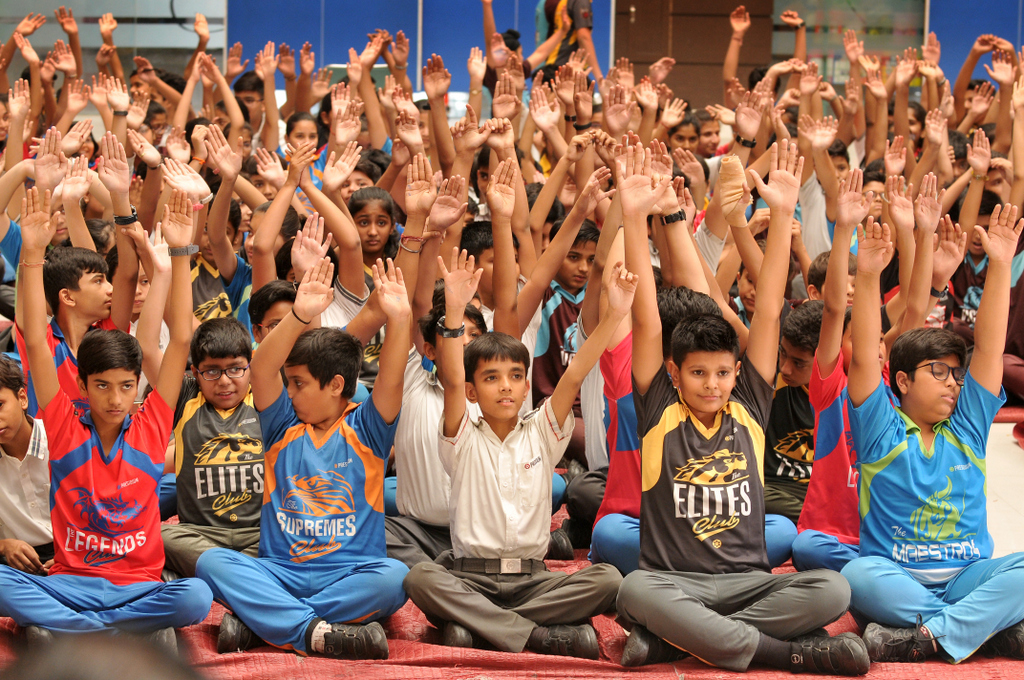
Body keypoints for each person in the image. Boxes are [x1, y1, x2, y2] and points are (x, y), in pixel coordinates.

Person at [615, 141, 869, 675]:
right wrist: (635, 217)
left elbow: (772, 307)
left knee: (833, 588)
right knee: (634, 588)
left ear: (738, 373)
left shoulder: (751, 404)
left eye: (723, 373)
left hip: (749, 582)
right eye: (699, 373)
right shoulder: (659, 408)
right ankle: (784, 652)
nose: (712, 384)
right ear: (674, 374)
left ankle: (677, 639)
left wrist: (781, 215)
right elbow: (645, 320)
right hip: (672, 580)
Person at [0, 181, 210, 644]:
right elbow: (34, 337)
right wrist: (32, 253)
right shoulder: (62, 423)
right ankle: (108, 629)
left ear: (139, 387)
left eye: (125, 387)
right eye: (101, 387)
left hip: (138, 587)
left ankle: (76, 630)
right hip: (71, 583)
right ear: (81, 385)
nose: (115, 399)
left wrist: (179, 253)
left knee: (195, 596)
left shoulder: (153, 420)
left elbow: (178, 341)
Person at [402, 245, 627, 657]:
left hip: (533, 580)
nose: (505, 385)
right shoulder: (462, 434)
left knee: (609, 579)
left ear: (527, 387)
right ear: (472, 391)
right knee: (420, 578)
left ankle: (479, 626)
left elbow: (575, 373)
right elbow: (451, 379)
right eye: (491, 377)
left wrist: (615, 314)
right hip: (470, 577)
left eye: (514, 377)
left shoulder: (542, 432)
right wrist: (454, 312)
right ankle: (536, 636)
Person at [196, 256, 411, 660]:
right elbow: (261, 367)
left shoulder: (368, 428)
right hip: (279, 573)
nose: (289, 391)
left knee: (395, 578)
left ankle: (269, 623)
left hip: (350, 574)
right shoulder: (281, 424)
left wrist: (399, 319)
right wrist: (298, 315)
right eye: (288, 382)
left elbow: (392, 376)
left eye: (298, 383)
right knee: (212, 563)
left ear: (335, 385)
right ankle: (315, 630)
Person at [841, 203, 1024, 663]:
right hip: (895, 576)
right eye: (938, 371)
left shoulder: (967, 424)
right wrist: (866, 277)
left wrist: (1001, 264)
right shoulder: (881, 426)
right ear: (901, 381)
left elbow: (991, 346)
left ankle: (930, 634)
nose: (952, 383)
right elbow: (864, 357)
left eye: (956, 375)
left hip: (968, 574)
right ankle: (984, 628)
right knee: (858, 575)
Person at [0, 355, 52, 574]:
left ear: (22, 398)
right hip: (15, 566)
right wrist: (3, 545)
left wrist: (71, 557)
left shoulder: (63, 439)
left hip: (78, 552)